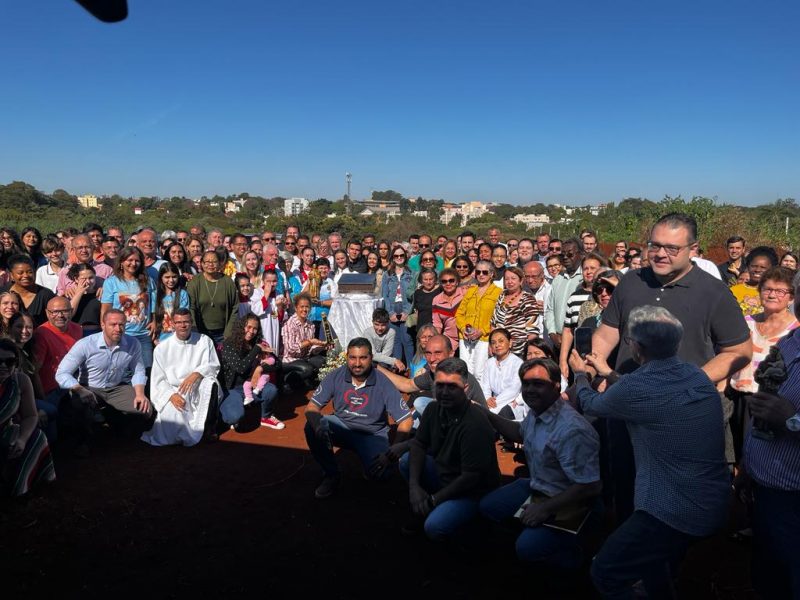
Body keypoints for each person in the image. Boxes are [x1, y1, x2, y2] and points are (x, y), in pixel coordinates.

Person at [592, 213, 750, 521]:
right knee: (626, 478)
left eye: (672, 248)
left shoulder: (713, 292)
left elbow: (740, 350)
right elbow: (610, 329)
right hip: (628, 402)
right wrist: (596, 360)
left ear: (693, 249)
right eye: (655, 245)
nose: (660, 254)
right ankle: (628, 544)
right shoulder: (630, 282)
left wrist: (688, 383)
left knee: (673, 493)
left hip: (680, 411)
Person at [571, 306, 730, 598]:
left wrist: (580, 375)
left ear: (635, 346)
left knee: (605, 572)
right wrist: (610, 373)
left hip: (668, 509)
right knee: (653, 566)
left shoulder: (637, 388)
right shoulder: (696, 376)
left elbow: (591, 404)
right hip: (711, 500)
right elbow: (644, 393)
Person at [479, 357, 601, 568]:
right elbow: (519, 432)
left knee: (527, 548)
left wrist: (545, 508)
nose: (530, 390)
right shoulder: (539, 412)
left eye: (538, 384)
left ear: (556, 386)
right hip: (539, 488)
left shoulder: (571, 430)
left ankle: (574, 557)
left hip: (571, 502)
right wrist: (486, 415)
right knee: (489, 507)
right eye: (526, 384)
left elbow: (590, 486)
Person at [736, 275, 800, 598]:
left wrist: (792, 420)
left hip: (793, 495)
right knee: (768, 571)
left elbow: (783, 416)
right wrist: (749, 463)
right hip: (766, 485)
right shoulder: (790, 342)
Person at [403, 357, 500, 541]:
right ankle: (428, 507)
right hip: (446, 476)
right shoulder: (433, 409)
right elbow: (418, 444)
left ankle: (473, 528)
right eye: (440, 386)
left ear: (466, 389)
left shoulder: (475, 424)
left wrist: (433, 500)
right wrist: (414, 486)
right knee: (407, 461)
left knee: (434, 526)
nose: (444, 392)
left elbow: (470, 478)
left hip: (472, 493)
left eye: (452, 387)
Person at [304, 337, 412, 499]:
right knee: (311, 427)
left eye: (363, 357)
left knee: (383, 474)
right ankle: (331, 474)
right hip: (342, 426)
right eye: (353, 357)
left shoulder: (383, 381)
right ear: (347, 357)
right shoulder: (336, 375)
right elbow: (311, 407)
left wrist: (392, 453)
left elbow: (406, 420)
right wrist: (318, 426)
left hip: (372, 433)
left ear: (371, 358)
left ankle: (368, 459)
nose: (357, 363)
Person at [56, 309, 153, 456]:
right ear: (103, 325)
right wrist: (79, 389)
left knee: (144, 409)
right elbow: (62, 372)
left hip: (116, 387)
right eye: (112, 324)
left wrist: (140, 394)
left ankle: (121, 429)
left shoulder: (133, 344)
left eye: (121, 324)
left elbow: (138, 370)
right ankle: (83, 441)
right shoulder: (85, 344)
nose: (117, 329)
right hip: (88, 388)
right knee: (78, 406)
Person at [728, 267, 798, 461]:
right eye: (767, 289)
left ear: (791, 297)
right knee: (735, 452)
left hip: (770, 404)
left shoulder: (795, 331)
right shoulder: (744, 323)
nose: (772, 295)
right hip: (737, 398)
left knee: (760, 457)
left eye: (780, 291)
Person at [141, 309, 221, 446]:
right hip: (174, 390)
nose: (183, 325)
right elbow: (158, 380)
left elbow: (213, 365)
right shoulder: (162, 348)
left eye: (186, 322)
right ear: (172, 324)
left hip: (197, 387)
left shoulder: (204, 341)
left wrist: (197, 373)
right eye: (178, 322)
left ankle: (209, 428)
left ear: (191, 323)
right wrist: (171, 395)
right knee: (171, 422)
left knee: (211, 383)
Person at [379, 334, 486, 423]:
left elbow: (456, 416)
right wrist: (377, 367)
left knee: (420, 404)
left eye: (438, 353)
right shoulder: (434, 373)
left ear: (451, 354)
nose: (432, 359)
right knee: (414, 419)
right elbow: (407, 385)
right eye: (428, 353)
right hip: (446, 415)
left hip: (472, 425)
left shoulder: (459, 377)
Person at [0, 337, 56, 496]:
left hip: (4, 430)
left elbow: (31, 415)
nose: (3, 366)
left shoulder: (20, 380)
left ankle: (21, 486)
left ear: (16, 364)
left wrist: (22, 440)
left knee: (37, 437)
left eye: (9, 362)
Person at [219, 313, 283, 430]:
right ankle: (229, 409)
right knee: (234, 417)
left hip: (252, 385)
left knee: (271, 390)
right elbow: (240, 367)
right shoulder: (229, 344)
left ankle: (266, 416)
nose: (251, 331)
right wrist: (257, 349)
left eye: (255, 328)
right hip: (232, 389)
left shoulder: (258, 342)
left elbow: (278, 363)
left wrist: (260, 368)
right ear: (241, 326)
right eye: (248, 327)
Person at [101, 247, 156, 368]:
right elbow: (106, 308)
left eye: (137, 261)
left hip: (143, 335)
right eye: (129, 260)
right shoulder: (111, 282)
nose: (133, 264)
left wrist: (154, 321)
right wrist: (104, 328)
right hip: (120, 334)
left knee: (146, 369)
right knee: (122, 370)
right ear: (121, 262)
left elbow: (153, 305)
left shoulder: (148, 281)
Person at [34, 296, 82, 413]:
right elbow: (35, 371)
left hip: (73, 383)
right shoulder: (41, 334)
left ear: (71, 311)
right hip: (51, 389)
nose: (60, 315)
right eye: (55, 312)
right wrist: (42, 400)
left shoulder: (78, 329)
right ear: (47, 313)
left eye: (65, 311)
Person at [456, 261, 501, 381]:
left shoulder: (498, 292)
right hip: (465, 337)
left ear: (491, 274)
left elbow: (496, 318)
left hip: (484, 338)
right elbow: (460, 313)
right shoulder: (471, 290)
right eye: (478, 272)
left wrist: (482, 331)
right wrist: (463, 328)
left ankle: (480, 399)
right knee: (465, 371)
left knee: (479, 372)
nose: (481, 275)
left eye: (485, 272)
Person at [187, 250, 238, 344]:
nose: (210, 264)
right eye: (207, 262)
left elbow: (235, 307)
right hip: (200, 332)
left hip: (222, 333)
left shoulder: (227, 282)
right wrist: (194, 329)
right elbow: (191, 307)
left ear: (219, 264)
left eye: (214, 262)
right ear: (202, 263)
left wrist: (228, 331)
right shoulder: (195, 282)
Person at [281, 294, 328, 389]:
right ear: (296, 308)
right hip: (290, 360)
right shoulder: (290, 324)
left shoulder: (311, 325)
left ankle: (303, 382)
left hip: (304, 358)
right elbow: (290, 348)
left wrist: (322, 345)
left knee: (322, 361)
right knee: (308, 370)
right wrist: (310, 341)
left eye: (307, 307)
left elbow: (311, 349)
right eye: (302, 307)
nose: (305, 309)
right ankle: (286, 382)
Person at [544, 238, 584, 349]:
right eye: (562, 255)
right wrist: (552, 333)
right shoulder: (558, 279)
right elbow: (550, 309)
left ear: (580, 254)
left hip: (577, 341)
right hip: (557, 340)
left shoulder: (585, 279)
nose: (565, 258)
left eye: (570, 254)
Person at [490, 266, 539, 356]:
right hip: (499, 349)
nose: (510, 282)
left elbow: (533, 330)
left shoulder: (528, 299)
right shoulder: (502, 295)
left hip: (519, 350)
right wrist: (491, 344)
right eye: (507, 279)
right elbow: (494, 322)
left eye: (513, 278)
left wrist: (528, 352)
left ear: (520, 281)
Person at [480, 329, 525, 419]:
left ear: (510, 343)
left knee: (501, 415)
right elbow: (485, 385)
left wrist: (495, 403)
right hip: (491, 403)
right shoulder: (489, 363)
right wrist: (487, 398)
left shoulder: (518, 363)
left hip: (512, 402)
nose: (497, 345)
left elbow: (513, 390)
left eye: (501, 341)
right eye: (493, 343)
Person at [381, 246, 415, 363]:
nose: (399, 258)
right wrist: (390, 313)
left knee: (407, 339)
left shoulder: (412, 273)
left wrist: (407, 312)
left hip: (406, 307)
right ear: (392, 257)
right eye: (396, 256)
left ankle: (411, 368)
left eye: (401, 255)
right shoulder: (387, 274)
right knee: (395, 340)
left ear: (405, 257)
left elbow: (414, 295)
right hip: (392, 307)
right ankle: (398, 368)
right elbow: (384, 295)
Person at [2, 253, 55, 326]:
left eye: (30, 272)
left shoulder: (46, 295)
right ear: (11, 275)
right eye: (20, 273)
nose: (25, 276)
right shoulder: (2, 292)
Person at [730, 246, 779, 316]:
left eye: (763, 267)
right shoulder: (733, 290)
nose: (757, 270)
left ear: (772, 269)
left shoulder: (776, 293)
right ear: (748, 266)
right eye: (753, 266)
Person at [431, 268, 464, 353]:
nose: (448, 284)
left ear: (457, 282)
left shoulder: (465, 293)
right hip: (450, 339)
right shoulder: (436, 300)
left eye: (451, 281)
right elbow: (437, 323)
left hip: (466, 337)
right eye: (444, 281)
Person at [66, 263, 101, 336]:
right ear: (76, 279)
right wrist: (79, 293)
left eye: (91, 278)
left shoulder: (99, 294)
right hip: (76, 332)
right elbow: (69, 314)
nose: (88, 281)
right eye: (83, 279)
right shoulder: (71, 294)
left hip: (96, 333)